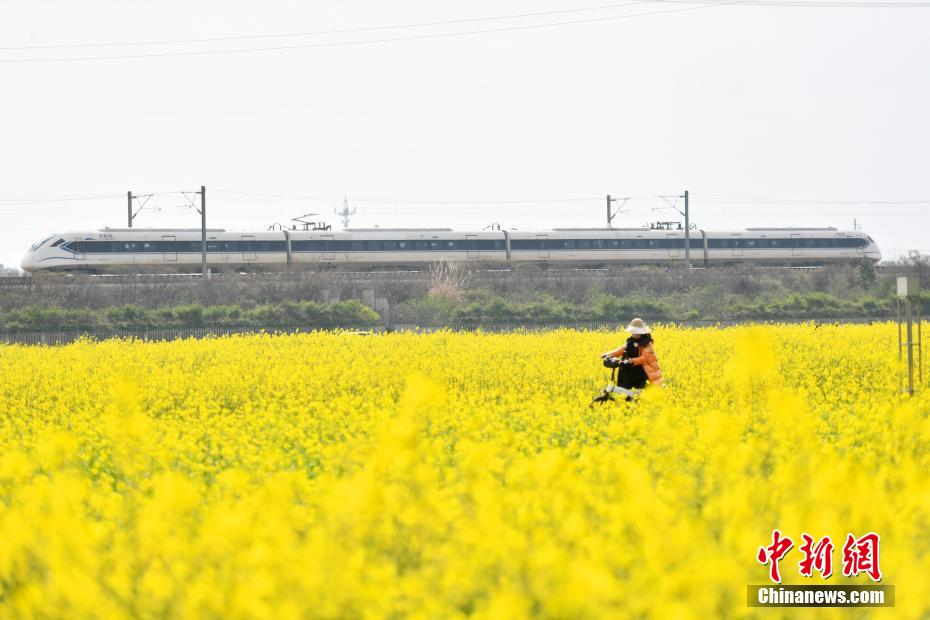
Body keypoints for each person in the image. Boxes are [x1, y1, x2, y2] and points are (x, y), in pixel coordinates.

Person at [593, 318, 663, 403]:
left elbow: (645, 358)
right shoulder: (629, 341)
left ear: (641, 332)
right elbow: (620, 350)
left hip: (641, 371)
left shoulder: (646, 343)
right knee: (625, 392)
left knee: (638, 393)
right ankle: (629, 407)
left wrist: (633, 361)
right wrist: (608, 354)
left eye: (637, 331)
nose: (635, 333)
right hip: (629, 369)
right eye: (633, 331)